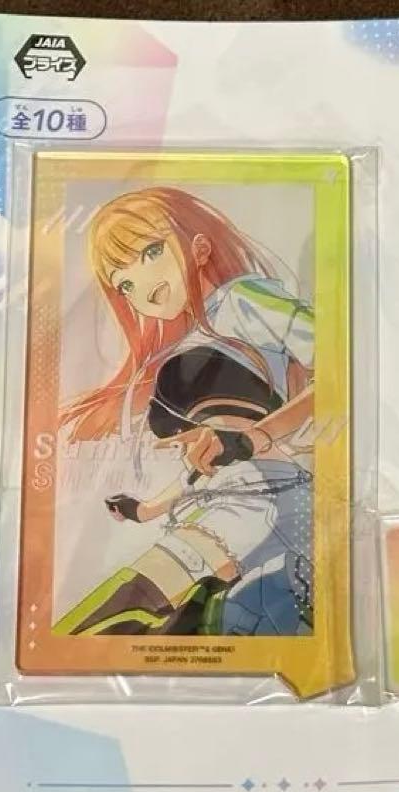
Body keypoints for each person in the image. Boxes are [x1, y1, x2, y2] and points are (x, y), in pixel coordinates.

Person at [53, 187, 316, 637]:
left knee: (113, 619)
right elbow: (203, 466)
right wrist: (145, 510)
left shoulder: (244, 299)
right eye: (124, 284)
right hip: (214, 507)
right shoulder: (186, 346)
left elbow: (345, 368)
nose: (141, 284)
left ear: (199, 247)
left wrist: (254, 437)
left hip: (262, 499)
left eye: (151, 252)